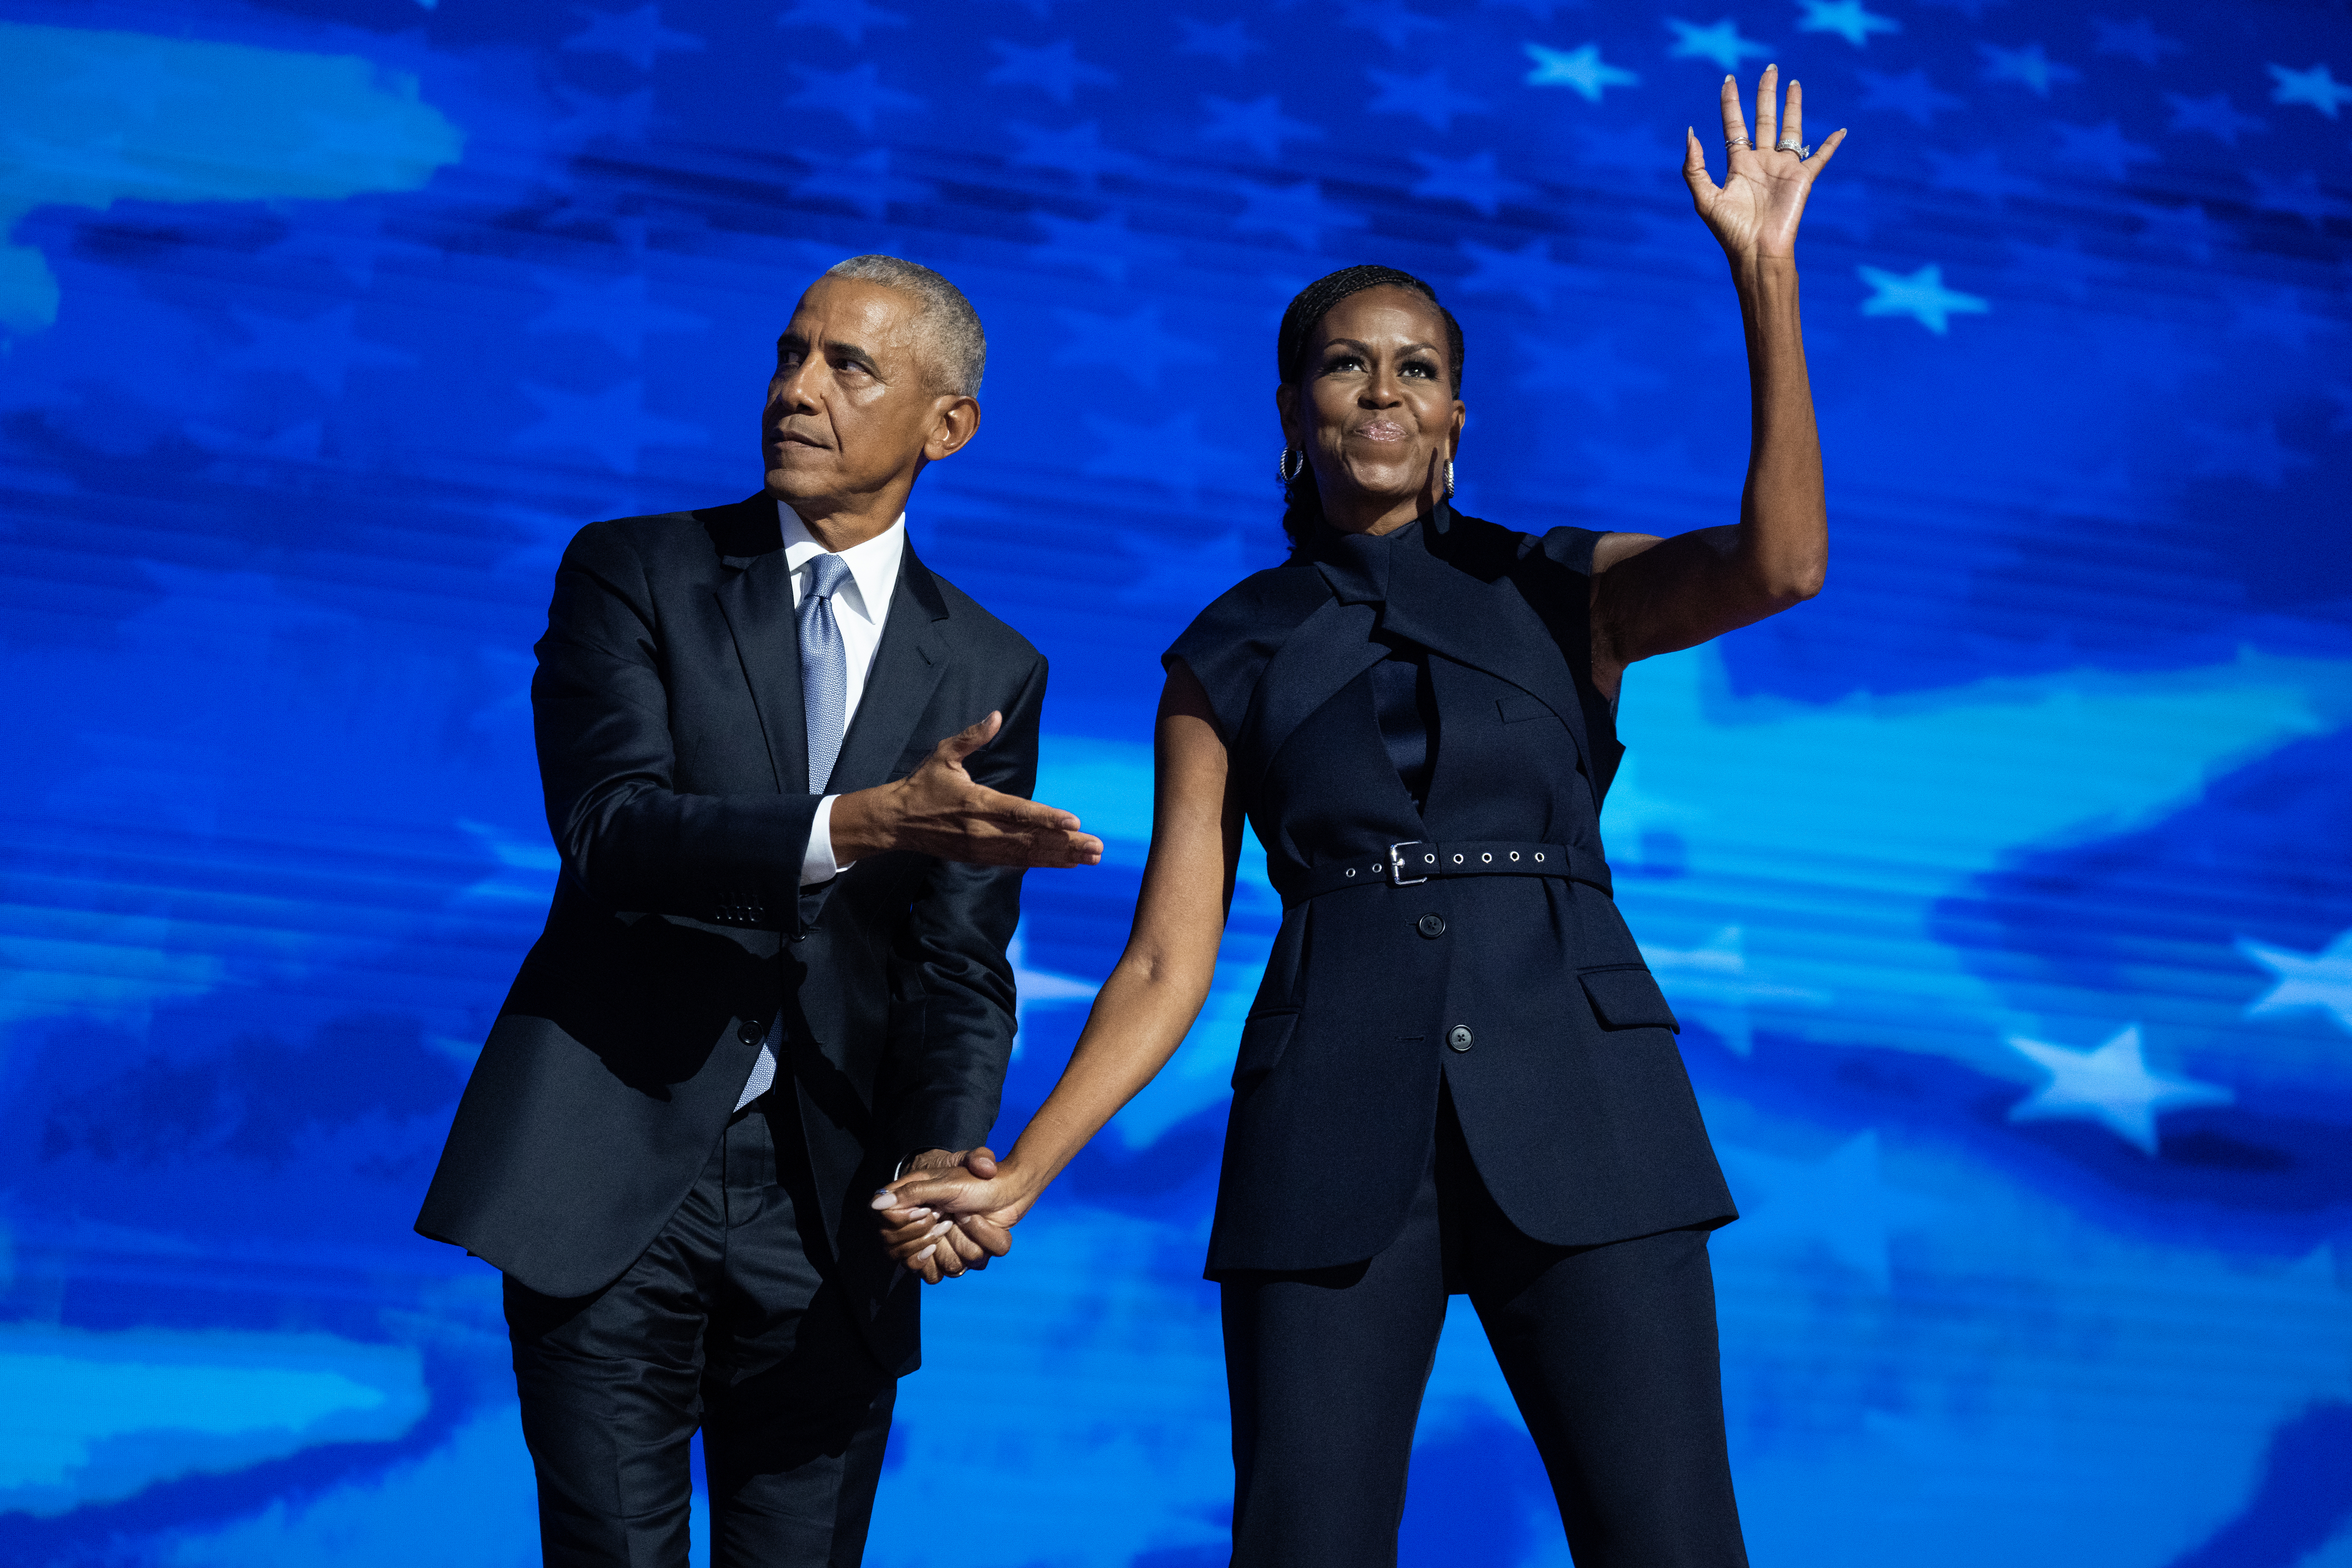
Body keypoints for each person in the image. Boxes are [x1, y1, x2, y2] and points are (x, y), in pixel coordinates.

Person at [877, 72, 1842, 1565]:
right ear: (1293, 407)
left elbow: (1781, 566)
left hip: (1589, 1113)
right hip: (1327, 1136)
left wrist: (1762, 277)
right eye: (1345, 365)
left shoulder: (1560, 588)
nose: (1381, 392)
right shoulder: (1225, 652)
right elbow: (1161, 962)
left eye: (1415, 368)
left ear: (1458, 411)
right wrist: (1022, 1167)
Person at [415, 254, 1102, 1568]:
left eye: (850, 365)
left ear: (945, 426)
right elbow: (611, 832)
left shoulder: (992, 665)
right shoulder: (636, 570)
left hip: (837, 1206)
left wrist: (941, 1154)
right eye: (790, 353)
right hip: (610, 1170)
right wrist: (862, 822)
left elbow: (958, 964)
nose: (798, 388)